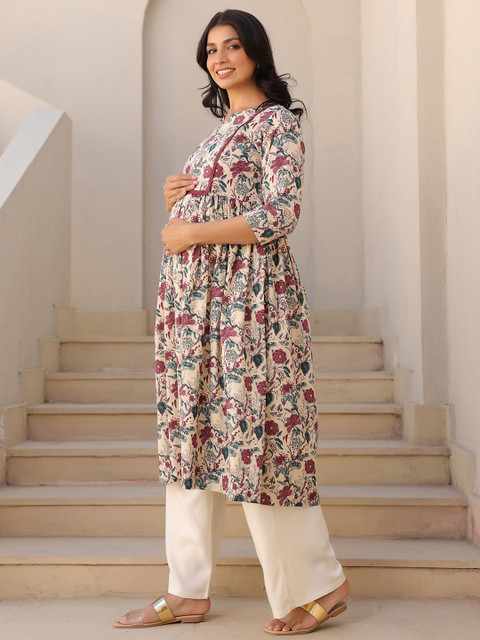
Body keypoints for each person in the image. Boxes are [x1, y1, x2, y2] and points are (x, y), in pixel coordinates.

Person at [114, 8, 350, 635]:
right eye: (211, 49)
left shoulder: (278, 123)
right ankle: (186, 590)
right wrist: (183, 197)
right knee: (190, 439)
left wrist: (192, 229)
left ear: (255, 53)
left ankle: (318, 583)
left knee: (261, 436)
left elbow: (280, 213)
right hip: (194, 309)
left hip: (253, 304)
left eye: (232, 46)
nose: (220, 58)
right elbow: (224, 201)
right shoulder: (217, 133)